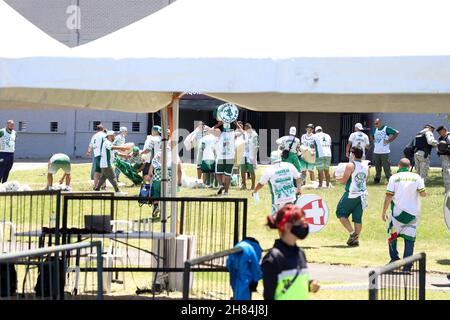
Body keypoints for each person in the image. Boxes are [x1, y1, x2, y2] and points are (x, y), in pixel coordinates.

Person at [261, 204, 320, 300]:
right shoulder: (273, 259)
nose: (305, 226)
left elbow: (294, 286)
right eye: (300, 223)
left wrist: (310, 285)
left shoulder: (301, 253)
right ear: (287, 227)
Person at [382, 158, 427, 267]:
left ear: (399, 166)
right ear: (409, 166)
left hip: (397, 214)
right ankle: (407, 266)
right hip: (412, 214)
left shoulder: (394, 178)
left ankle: (394, 260)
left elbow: (388, 196)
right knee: (409, 238)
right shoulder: (417, 177)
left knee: (393, 236)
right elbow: (423, 194)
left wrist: (384, 211)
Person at [336, 147, 369, 247]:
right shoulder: (366, 166)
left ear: (353, 154)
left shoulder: (351, 164)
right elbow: (365, 180)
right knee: (357, 218)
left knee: (340, 213)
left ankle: (352, 233)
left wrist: (336, 177)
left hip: (352, 194)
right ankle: (355, 240)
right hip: (362, 194)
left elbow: (344, 180)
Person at [253, 150, 302, 216]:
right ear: (280, 157)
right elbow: (298, 178)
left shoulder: (269, 169)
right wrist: (299, 189)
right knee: (291, 217)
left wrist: (255, 191)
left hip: (278, 199)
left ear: (271, 159)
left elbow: (261, 183)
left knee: (276, 218)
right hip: (291, 197)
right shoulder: (289, 165)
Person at [94, 131, 129, 195]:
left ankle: (96, 190)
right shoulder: (106, 142)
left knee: (103, 177)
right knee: (112, 177)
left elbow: (116, 152)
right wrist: (123, 147)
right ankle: (118, 191)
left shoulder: (109, 143)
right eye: (113, 135)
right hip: (106, 164)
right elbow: (112, 148)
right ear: (109, 136)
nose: (114, 137)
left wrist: (126, 156)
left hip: (105, 164)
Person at [215, 121, 244, 196]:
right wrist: (237, 124)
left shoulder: (220, 133)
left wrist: (218, 124)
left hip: (221, 156)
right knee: (227, 174)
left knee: (218, 173)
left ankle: (221, 185)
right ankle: (226, 192)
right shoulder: (233, 134)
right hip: (229, 157)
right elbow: (243, 133)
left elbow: (210, 130)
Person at [370, 118, 400, 184]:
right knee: (377, 168)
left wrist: (389, 140)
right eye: (374, 124)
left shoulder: (386, 129)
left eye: (376, 123)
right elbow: (371, 135)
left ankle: (390, 180)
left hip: (385, 152)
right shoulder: (375, 129)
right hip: (376, 152)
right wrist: (373, 140)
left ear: (380, 122)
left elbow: (397, 132)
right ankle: (377, 180)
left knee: (386, 168)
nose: (375, 125)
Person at [240, 123, 259, 190]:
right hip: (243, 154)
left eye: (246, 128)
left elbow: (256, 147)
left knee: (251, 171)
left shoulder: (254, 135)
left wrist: (254, 157)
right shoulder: (244, 133)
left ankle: (253, 185)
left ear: (249, 128)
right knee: (242, 170)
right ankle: (244, 184)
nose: (245, 129)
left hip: (250, 155)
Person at [436, 126, 450, 194]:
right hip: (444, 158)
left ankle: (448, 191)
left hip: (448, 158)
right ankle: (447, 190)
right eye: (438, 132)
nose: (439, 133)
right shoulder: (441, 138)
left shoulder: (448, 137)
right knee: (445, 174)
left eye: (440, 132)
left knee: (447, 174)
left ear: (444, 130)